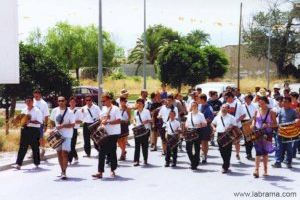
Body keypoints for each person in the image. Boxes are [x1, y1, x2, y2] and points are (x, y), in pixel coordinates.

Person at [92, 93, 121, 179]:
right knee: (102, 151)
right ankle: (100, 172)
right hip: (104, 133)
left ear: (109, 100)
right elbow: (100, 118)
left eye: (104, 101)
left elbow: (119, 120)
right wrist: (103, 120)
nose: (103, 102)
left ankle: (113, 170)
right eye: (102, 101)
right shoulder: (104, 109)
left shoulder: (115, 109)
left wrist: (108, 122)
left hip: (114, 133)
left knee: (112, 151)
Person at [13, 96, 43, 170]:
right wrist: (17, 121)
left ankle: (36, 163)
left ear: (32, 102)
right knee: (22, 147)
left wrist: (30, 121)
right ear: (25, 102)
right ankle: (18, 164)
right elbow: (21, 120)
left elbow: (40, 121)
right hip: (25, 129)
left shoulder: (37, 110)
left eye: (29, 101)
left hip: (34, 130)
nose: (28, 102)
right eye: (27, 101)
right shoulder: (24, 110)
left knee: (35, 147)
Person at [50, 96, 75, 179]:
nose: (60, 102)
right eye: (59, 101)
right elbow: (52, 122)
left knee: (64, 153)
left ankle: (64, 172)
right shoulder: (54, 110)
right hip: (57, 135)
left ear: (65, 101)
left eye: (62, 101)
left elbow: (72, 124)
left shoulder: (70, 112)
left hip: (67, 135)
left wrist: (63, 126)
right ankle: (62, 170)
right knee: (59, 153)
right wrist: (52, 130)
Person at [251, 96, 277, 178]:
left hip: (267, 133)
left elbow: (276, 124)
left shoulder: (271, 112)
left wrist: (268, 125)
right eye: (259, 102)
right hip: (257, 133)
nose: (260, 104)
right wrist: (252, 125)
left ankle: (265, 170)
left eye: (262, 102)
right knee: (258, 152)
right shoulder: (256, 110)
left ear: (266, 102)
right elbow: (254, 120)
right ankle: (256, 170)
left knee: (265, 153)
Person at [272, 97, 299, 168]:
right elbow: (275, 118)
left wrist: (296, 120)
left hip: (289, 133)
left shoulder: (293, 111)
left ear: (290, 103)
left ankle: (288, 162)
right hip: (280, 131)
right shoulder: (280, 110)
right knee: (278, 147)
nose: (284, 103)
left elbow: (297, 118)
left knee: (289, 148)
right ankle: (278, 162)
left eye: (286, 102)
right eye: (283, 101)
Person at [211, 104, 237, 173]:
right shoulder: (217, 117)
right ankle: (226, 163)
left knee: (228, 151)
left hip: (228, 135)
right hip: (219, 134)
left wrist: (230, 127)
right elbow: (212, 123)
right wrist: (214, 128)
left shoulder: (231, 117)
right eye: (223, 107)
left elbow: (235, 126)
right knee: (221, 150)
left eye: (225, 108)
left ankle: (225, 166)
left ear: (228, 109)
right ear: (220, 108)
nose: (224, 109)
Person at [185, 101, 207, 170]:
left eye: (195, 106)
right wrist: (186, 126)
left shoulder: (201, 114)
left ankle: (194, 164)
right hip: (189, 131)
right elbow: (186, 122)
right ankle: (193, 161)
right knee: (188, 148)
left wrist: (200, 125)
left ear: (197, 106)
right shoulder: (189, 114)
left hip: (197, 131)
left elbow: (205, 123)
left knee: (197, 148)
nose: (193, 107)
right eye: (192, 106)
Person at [224, 92, 246, 161]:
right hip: (226, 127)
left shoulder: (238, 104)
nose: (225, 99)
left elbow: (244, 115)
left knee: (237, 141)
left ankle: (237, 153)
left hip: (236, 126)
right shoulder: (224, 105)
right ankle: (227, 156)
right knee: (227, 142)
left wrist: (237, 120)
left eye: (226, 98)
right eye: (225, 98)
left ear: (231, 97)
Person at [133, 98, 152, 166]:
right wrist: (134, 123)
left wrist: (145, 121)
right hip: (138, 130)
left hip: (145, 130)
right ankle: (136, 160)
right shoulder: (135, 112)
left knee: (144, 145)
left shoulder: (146, 111)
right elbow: (134, 119)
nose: (138, 104)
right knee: (137, 146)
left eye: (140, 103)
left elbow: (150, 120)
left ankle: (145, 159)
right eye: (137, 103)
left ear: (143, 104)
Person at [33, 89, 49, 160]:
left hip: (40, 123)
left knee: (40, 138)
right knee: (32, 138)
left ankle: (43, 150)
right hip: (31, 123)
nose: (36, 95)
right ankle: (34, 152)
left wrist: (46, 125)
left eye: (37, 93)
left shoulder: (44, 103)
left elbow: (46, 115)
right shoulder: (32, 101)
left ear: (40, 94)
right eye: (35, 93)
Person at [198, 94, 214, 164]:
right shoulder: (199, 106)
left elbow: (210, 118)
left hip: (206, 127)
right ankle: (200, 155)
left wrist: (203, 123)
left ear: (202, 99)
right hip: (198, 127)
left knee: (205, 142)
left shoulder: (209, 107)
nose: (198, 100)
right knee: (199, 142)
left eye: (199, 99)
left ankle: (204, 156)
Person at [242, 94, 257, 160]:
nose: (245, 99)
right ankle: (248, 153)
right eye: (245, 98)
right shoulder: (242, 106)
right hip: (244, 123)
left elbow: (256, 115)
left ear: (250, 99)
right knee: (246, 139)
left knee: (251, 139)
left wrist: (252, 121)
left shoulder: (254, 105)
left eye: (246, 98)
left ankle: (250, 153)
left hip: (252, 122)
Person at [68, 97, 83, 164]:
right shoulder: (67, 110)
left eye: (73, 102)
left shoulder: (78, 111)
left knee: (72, 145)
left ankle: (70, 159)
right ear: (69, 103)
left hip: (74, 129)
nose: (72, 103)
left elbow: (80, 121)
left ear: (75, 103)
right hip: (67, 129)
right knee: (69, 144)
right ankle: (74, 157)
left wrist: (73, 121)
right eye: (71, 102)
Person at [118, 96, 131, 161]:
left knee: (124, 140)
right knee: (119, 140)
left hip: (125, 125)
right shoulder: (118, 108)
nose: (125, 103)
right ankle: (124, 151)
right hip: (119, 125)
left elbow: (129, 117)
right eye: (123, 101)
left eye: (125, 101)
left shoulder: (127, 109)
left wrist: (126, 120)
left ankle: (122, 155)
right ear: (120, 102)